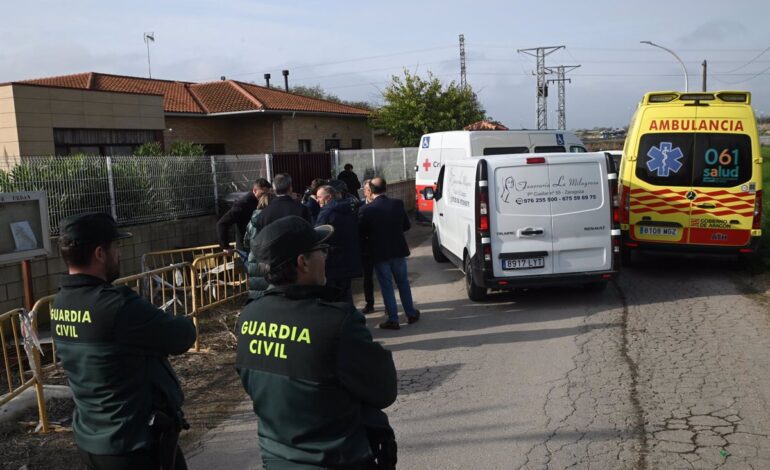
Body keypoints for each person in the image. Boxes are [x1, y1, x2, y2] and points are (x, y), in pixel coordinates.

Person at [236, 216, 397, 469]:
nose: (327, 256)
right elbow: (384, 390)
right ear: (303, 262)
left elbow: (257, 386)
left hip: (277, 461)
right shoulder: (336, 322)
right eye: (322, 250)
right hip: (336, 460)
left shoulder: (248, 317)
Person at [51, 212, 197, 470]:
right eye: (115, 247)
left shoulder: (60, 303)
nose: (118, 255)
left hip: (93, 440)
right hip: (134, 445)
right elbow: (182, 335)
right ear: (99, 253)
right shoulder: (117, 305)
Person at [358, 177, 420, 330]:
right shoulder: (397, 204)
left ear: (371, 191)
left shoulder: (366, 209)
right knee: (403, 283)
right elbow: (406, 226)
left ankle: (393, 319)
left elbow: (362, 233)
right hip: (398, 250)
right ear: (386, 188)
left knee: (386, 286)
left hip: (379, 253)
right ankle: (410, 313)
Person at [316, 185, 362, 304]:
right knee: (346, 293)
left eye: (319, 197)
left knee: (333, 297)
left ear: (328, 197)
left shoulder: (326, 213)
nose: (317, 200)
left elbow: (317, 237)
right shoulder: (350, 209)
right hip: (349, 259)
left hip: (332, 261)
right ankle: (351, 319)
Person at [217, 178, 272, 261]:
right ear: (254, 190)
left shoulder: (263, 202)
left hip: (259, 246)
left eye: (267, 194)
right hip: (246, 249)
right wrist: (225, 246)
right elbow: (222, 223)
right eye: (262, 193)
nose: (265, 196)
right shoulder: (242, 204)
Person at [244, 192, 276, 300]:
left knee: (256, 288)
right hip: (268, 257)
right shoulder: (272, 218)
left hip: (254, 257)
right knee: (269, 288)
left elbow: (246, 240)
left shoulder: (252, 220)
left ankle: (256, 309)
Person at [359, 179, 375, 313]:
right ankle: (369, 303)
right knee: (367, 278)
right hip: (366, 249)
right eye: (365, 190)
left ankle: (388, 304)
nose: (366, 192)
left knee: (384, 277)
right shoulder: (359, 207)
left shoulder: (382, 205)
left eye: (368, 189)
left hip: (381, 248)